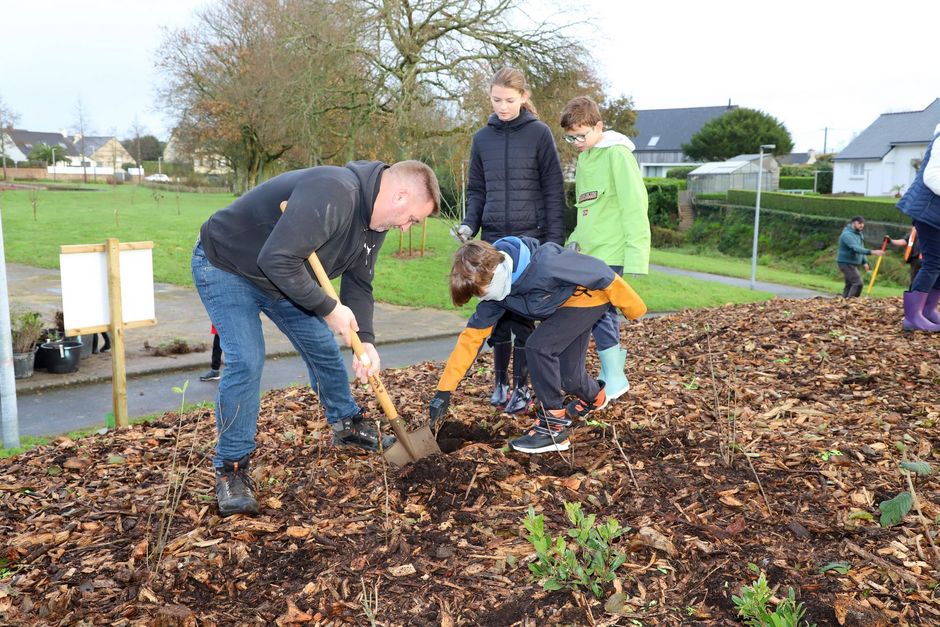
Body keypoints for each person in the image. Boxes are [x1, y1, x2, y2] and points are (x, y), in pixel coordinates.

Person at [193, 160, 440, 516]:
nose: (406, 228)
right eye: (412, 219)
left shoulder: (374, 223)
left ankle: (347, 425)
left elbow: (359, 283)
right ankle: (232, 467)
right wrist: (328, 308)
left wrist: (365, 339)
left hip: (284, 278)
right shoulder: (335, 190)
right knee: (246, 359)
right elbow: (275, 259)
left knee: (323, 347)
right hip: (228, 265)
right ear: (400, 196)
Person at [428, 237, 646, 454]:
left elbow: (602, 273)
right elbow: (471, 339)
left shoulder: (545, 263)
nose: (482, 296)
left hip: (587, 299)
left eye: (481, 290)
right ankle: (595, 397)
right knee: (569, 377)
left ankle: (553, 428)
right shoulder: (495, 293)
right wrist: (444, 391)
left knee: (538, 347)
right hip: (561, 310)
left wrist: (634, 308)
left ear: (494, 269)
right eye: (477, 294)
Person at [452, 67, 566, 415]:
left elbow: (552, 191)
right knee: (496, 315)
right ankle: (500, 384)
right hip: (493, 241)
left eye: (509, 100)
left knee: (522, 318)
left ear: (524, 98)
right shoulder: (481, 139)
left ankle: (522, 388)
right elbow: (477, 190)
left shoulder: (539, 134)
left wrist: (554, 243)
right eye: (496, 100)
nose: (502, 106)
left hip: (530, 242)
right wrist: (470, 224)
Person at [559, 96, 650, 401]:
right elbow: (588, 209)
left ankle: (614, 376)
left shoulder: (617, 154)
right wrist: (574, 241)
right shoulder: (587, 157)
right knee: (598, 312)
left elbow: (634, 203)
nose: (575, 142)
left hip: (612, 251)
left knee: (600, 312)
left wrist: (637, 255)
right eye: (570, 137)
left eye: (581, 135)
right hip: (590, 251)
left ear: (598, 126)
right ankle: (609, 371)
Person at [897, 122, 940, 332]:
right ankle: (913, 316)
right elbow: (932, 177)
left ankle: (928, 310)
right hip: (928, 211)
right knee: (933, 262)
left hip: (935, 213)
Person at [836, 216, 883, 298]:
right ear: (853, 223)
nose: (862, 225)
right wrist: (872, 252)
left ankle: (844, 302)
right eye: (859, 223)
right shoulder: (847, 235)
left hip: (853, 262)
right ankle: (852, 303)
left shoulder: (859, 234)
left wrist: (864, 262)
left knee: (849, 284)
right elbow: (855, 248)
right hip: (846, 262)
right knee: (857, 283)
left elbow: (861, 246)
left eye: (863, 223)